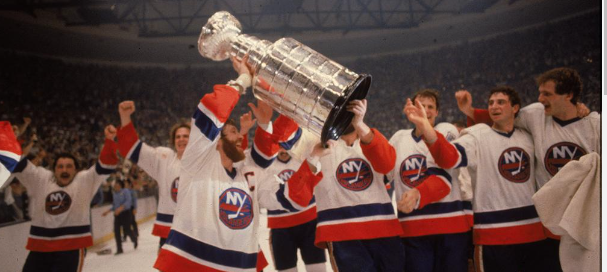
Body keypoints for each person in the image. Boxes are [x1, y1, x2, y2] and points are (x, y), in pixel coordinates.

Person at [456, 67, 601, 270]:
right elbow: (503, 117)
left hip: (585, 220)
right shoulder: (536, 115)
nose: (540, 98)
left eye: (547, 94)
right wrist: (470, 112)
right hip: (548, 228)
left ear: (569, 95)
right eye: (540, 92)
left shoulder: (595, 126)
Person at [154, 56, 287, 272]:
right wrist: (243, 78)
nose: (241, 138)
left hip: (240, 262)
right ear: (216, 141)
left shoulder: (244, 169)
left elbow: (263, 158)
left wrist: (264, 123)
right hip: (195, 263)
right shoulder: (196, 162)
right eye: (234, 132)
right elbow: (213, 107)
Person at [410, 86, 547, 272]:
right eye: (490, 103)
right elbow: (448, 158)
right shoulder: (476, 136)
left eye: (501, 102)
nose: (494, 106)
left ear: (515, 108)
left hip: (533, 232)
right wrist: (427, 129)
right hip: (493, 235)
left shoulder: (528, 137)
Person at [280, 99, 406, 271]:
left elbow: (387, 165)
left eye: (349, 109)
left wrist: (361, 125)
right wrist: (314, 156)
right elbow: (296, 197)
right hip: (342, 235)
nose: (344, 115)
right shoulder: (316, 144)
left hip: (385, 231)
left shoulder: (371, 138)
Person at [11, 125, 118, 272]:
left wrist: (110, 141)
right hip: (41, 247)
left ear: (75, 169)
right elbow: (18, 164)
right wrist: (9, 138)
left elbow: (105, 166)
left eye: (69, 166)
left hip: (71, 248)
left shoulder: (84, 181)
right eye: (60, 167)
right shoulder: (42, 179)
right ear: (54, 170)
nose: (64, 170)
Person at [387, 89, 471, 272]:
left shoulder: (446, 130)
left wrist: (417, 193)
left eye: (430, 107)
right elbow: (384, 175)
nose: (425, 110)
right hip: (412, 229)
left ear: (437, 112)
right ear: (409, 109)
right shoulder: (398, 138)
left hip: (450, 228)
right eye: (421, 105)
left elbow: (444, 176)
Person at [116, 100, 190, 248]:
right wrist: (125, 117)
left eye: (186, 136)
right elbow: (131, 147)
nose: (181, 139)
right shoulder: (165, 159)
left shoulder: (204, 161)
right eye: (178, 136)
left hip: (196, 232)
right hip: (169, 232)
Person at [256, 148, 326, 272]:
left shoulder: (301, 157)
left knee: (318, 268)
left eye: (285, 146)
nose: (283, 150)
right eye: (279, 146)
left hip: (309, 223)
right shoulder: (266, 165)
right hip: (281, 228)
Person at [103, 179, 137, 255]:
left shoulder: (125, 191)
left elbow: (128, 202)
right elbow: (115, 205)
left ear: (119, 185)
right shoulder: (114, 194)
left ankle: (134, 239)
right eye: (115, 185)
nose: (115, 186)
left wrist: (120, 208)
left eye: (117, 184)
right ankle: (119, 248)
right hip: (117, 215)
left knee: (127, 229)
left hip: (125, 213)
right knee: (116, 231)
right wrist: (108, 211)